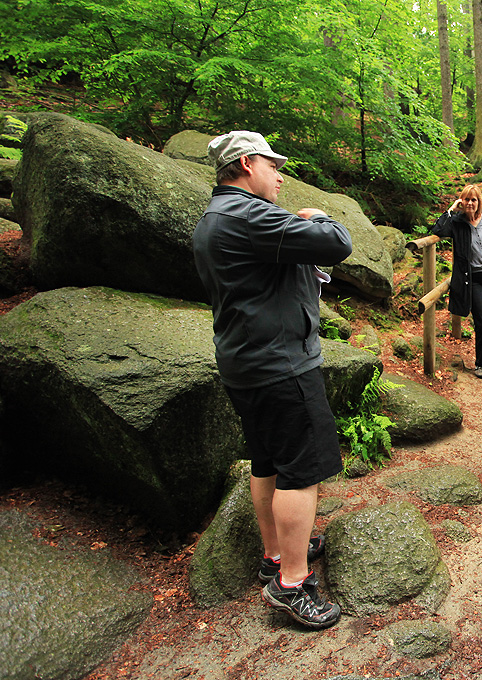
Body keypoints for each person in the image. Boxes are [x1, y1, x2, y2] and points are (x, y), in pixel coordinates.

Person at [192, 130, 352, 629]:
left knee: (267, 462)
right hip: (282, 365)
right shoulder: (249, 216)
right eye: (272, 164)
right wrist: (316, 217)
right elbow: (338, 244)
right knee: (301, 470)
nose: (280, 174)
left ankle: (276, 554)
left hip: (245, 363)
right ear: (245, 163)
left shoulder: (212, 220)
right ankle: (293, 583)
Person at [432, 184, 482, 380]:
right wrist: (451, 210)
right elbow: (438, 230)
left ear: (479, 202)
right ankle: (479, 362)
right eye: (466, 199)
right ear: (462, 201)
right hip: (473, 278)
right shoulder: (457, 222)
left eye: (474, 200)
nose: (470, 203)